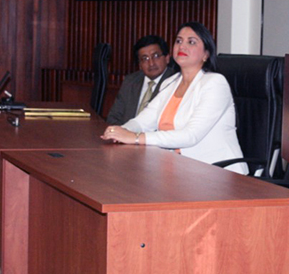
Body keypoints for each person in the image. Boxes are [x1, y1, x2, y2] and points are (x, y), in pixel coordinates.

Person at [101, 21, 245, 173]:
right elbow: (143, 121)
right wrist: (120, 131)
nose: (182, 46)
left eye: (191, 42)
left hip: (216, 171)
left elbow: (190, 136)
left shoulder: (215, 83)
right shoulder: (170, 83)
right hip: (178, 168)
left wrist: (135, 138)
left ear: (206, 54)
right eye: (178, 41)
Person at [106, 35, 176, 125]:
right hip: (125, 136)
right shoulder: (130, 81)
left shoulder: (176, 82)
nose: (151, 63)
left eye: (155, 56)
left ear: (167, 58)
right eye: (145, 58)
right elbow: (113, 117)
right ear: (139, 64)